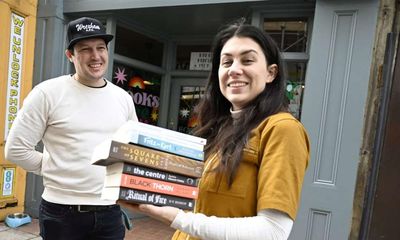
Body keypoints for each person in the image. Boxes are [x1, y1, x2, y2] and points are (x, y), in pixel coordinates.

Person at [120, 21, 310, 240]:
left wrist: (177, 218)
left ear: (271, 73)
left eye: (247, 60)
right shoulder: (221, 126)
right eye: (227, 62)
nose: (235, 70)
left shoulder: (282, 130)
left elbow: (272, 232)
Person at [5, 17, 138, 240]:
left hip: (110, 212)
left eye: (100, 48)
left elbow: (131, 149)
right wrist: (54, 166)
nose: (95, 56)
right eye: (85, 49)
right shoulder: (47, 93)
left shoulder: (123, 98)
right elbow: (16, 149)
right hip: (61, 213)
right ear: (70, 55)